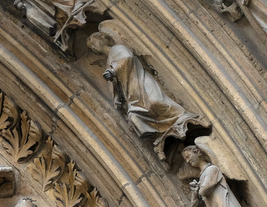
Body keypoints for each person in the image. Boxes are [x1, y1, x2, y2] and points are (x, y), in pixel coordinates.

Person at [87, 28, 207, 160]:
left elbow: (127, 57)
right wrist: (116, 97)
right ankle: (155, 133)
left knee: (156, 102)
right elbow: (116, 85)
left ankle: (182, 118)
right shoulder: (109, 62)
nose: (94, 47)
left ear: (103, 39)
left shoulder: (117, 49)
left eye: (94, 42)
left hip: (141, 82)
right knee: (133, 116)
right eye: (92, 46)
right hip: (131, 93)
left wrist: (113, 71)